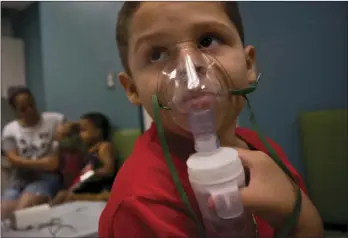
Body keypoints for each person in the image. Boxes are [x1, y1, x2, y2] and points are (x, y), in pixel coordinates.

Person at [99, 2, 323, 238]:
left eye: (207, 40)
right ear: (133, 88)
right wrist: (304, 222)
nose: (190, 70)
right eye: (157, 54)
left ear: (248, 64)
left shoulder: (265, 151)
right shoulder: (143, 204)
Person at [1, 86, 65, 219]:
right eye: (23, 109)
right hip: (19, 180)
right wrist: (43, 162)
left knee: (23, 210)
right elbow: (13, 159)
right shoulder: (10, 130)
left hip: (46, 179)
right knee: (3, 211)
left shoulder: (54, 120)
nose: (30, 111)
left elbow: (53, 164)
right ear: (15, 111)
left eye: (31, 105)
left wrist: (63, 131)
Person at [51, 112, 116, 205]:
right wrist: (74, 125)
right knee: (62, 195)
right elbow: (60, 140)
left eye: (84, 130)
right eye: (80, 131)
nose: (80, 134)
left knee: (66, 197)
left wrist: (92, 173)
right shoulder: (85, 147)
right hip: (87, 186)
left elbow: (109, 170)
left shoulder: (104, 146)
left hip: (100, 188)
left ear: (98, 131)